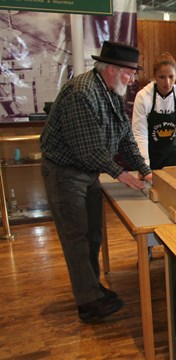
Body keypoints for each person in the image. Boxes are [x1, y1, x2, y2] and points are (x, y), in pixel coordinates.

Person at [40, 41, 152, 322]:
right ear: (113, 70)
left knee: (93, 235)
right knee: (76, 237)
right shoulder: (82, 93)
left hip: (88, 171)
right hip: (65, 172)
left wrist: (144, 170)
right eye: (129, 72)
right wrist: (122, 175)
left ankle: (92, 289)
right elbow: (88, 149)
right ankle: (89, 302)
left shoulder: (112, 93)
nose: (132, 78)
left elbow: (125, 137)